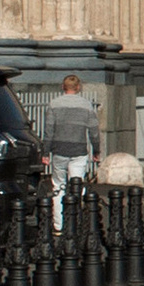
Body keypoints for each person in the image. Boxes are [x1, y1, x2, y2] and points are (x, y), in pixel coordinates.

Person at [40, 72, 99, 203]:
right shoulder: (86, 105)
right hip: (79, 150)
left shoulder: (54, 104)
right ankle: (76, 218)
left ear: (63, 87)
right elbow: (94, 131)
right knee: (76, 185)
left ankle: (59, 222)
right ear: (78, 87)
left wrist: (45, 153)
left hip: (59, 149)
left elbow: (49, 131)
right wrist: (97, 151)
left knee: (58, 187)